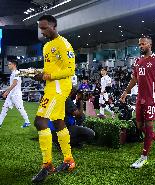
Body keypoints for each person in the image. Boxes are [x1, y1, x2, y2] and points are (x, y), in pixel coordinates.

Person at [31, 15, 76, 183]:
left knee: (40, 121)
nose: (42, 31)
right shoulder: (47, 46)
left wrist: (47, 75)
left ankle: (47, 165)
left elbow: (70, 70)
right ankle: (68, 160)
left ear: (54, 26)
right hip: (50, 86)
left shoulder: (63, 44)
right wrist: (38, 74)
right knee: (58, 122)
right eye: (40, 28)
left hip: (59, 87)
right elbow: (49, 68)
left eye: (44, 28)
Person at [120, 36, 155, 169]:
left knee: (148, 127)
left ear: (150, 45)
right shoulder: (137, 61)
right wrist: (126, 92)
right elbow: (134, 79)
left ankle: (144, 157)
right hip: (139, 98)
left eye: (143, 44)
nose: (140, 46)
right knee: (140, 126)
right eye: (139, 44)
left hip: (151, 99)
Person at [0, 60, 30, 128]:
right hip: (11, 94)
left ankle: (27, 122)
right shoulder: (13, 73)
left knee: (20, 108)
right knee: (4, 108)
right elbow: (12, 84)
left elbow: (14, 83)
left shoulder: (16, 72)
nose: (8, 65)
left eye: (9, 64)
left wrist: (6, 92)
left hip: (16, 94)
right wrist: (8, 92)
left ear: (14, 65)